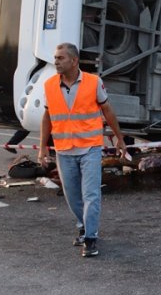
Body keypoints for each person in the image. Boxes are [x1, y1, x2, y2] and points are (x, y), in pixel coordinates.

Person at [37, 43, 127, 258]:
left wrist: (119, 138)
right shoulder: (49, 85)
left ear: (74, 60)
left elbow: (107, 110)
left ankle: (90, 238)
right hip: (63, 149)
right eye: (55, 57)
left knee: (91, 194)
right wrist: (42, 147)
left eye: (60, 58)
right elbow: (47, 117)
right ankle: (83, 227)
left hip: (90, 147)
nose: (56, 61)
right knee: (72, 196)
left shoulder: (94, 82)